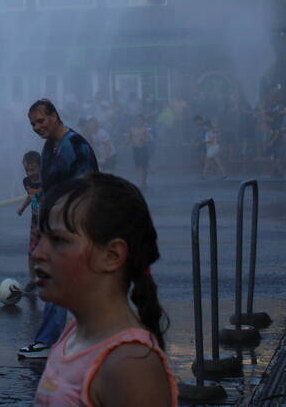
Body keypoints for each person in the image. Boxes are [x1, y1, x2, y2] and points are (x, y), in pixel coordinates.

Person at [32, 172, 177, 406]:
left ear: (112, 256)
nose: (37, 253)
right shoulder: (73, 334)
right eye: (41, 238)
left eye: (58, 240)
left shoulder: (130, 364)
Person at [18, 99, 99, 360]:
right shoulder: (50, 146)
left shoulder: (74, 145)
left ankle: (50, 340)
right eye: (33, 124)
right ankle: (92, 338)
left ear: (54, 116)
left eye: (41, 121)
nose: (37, 127)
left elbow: (86, 188)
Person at [16, 150, 43, 294]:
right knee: (31, 252)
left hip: (48, 222)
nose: (30, 173)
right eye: (27, 170)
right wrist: (22, 207)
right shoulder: (26, 182)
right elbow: (31, 196)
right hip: (35, 222)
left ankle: (54, 278)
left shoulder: (46, 181)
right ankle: (33, 280)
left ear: (40, 167)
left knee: (51, 251)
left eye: (33, 170)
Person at [127, 115, 152, 190]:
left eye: (140, 120)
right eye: (137, 120)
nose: (139, 121)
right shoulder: (131, 129)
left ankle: (143, 182)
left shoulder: (145, 129)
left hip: (143, 149)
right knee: (138, 166)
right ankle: (140, 183)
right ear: (135, 121)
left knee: (144, 167)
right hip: (136, 149)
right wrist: (124, 144)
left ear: (143, 121)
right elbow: (129, 139)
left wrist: (145, 140)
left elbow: (149, 138)